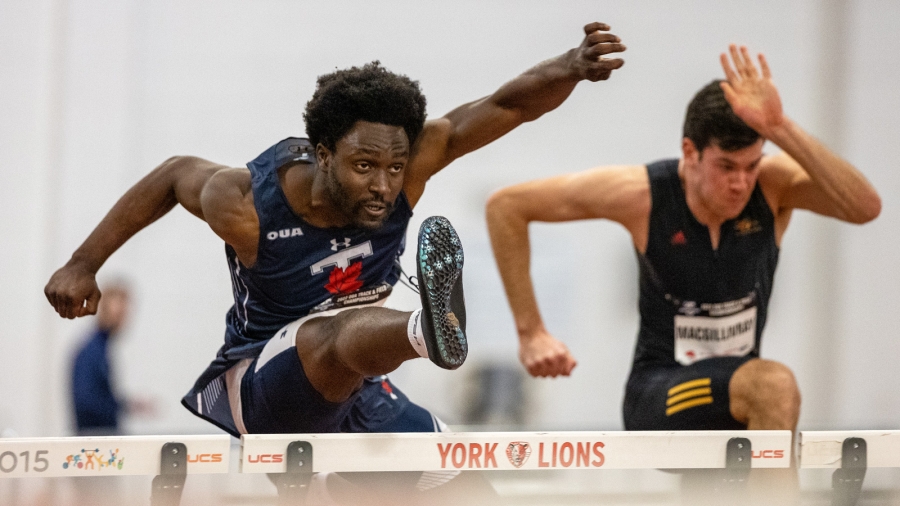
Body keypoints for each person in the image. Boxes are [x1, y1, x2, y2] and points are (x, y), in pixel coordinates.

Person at [45, 22, 626, 505]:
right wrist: (83, 262)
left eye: (395, 168)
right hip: (265, 387)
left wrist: (572, 65)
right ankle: (425, 326)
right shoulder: (247, 203)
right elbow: (174, 174)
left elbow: (507, 105)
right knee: (333, 332)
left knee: (471, 492)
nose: (383, 185)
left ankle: (421, 331)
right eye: (364, 166)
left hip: (360, 388)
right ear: (324, 156)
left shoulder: (404, 171)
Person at [486, 45, 880, 504]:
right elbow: (507, 207)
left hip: (738, 402)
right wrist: (531, 331)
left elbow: (864, 207)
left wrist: (780, 128)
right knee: (773, 383)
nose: (740, 183)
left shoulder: (772, 188)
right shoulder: (643, 195)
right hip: (658, 397)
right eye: (726, 167)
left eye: (751, 166)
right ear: (690, 153)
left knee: (763, 393)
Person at [70, 281, 130, 436]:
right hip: (94, 442)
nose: (123, 316)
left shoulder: (101, 349)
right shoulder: (91, 351)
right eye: (118, 311)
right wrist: (121, 406)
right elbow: (86, 401)